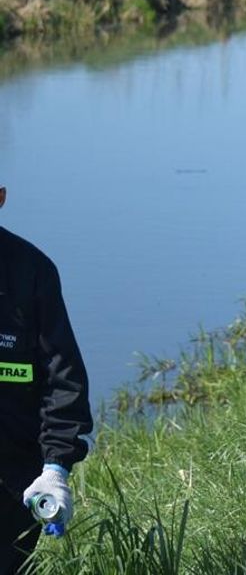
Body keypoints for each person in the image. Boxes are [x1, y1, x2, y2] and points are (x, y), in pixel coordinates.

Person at [0, 184, 94, 575]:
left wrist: (56, 468)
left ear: (0, 197)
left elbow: (64, 379)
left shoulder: (32, 271)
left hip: (13, 479)